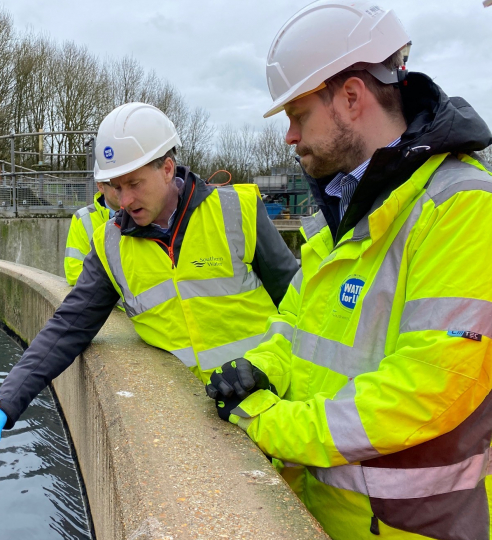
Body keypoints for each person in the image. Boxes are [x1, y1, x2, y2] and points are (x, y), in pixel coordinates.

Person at [205, 2, 492, 539]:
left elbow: (429, 389)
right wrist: (260, 370)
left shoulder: (463, 208)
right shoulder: (340, 216)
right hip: (323, 514)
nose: (290, 136)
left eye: (297, 115)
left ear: (352, 97)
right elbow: (293, 331)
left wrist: (269, 422)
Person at [0, 102, 298, 453]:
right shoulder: (110, 245)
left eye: (134, 183)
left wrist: (266, 366)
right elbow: (68, 327)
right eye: (116, 187)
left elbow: (302, 306)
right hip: (201, 425)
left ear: (167, 168)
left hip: (278, 401)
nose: (124, 200)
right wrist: (5, 403)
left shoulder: (237, 210)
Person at [64, 181, 120, 285]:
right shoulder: (83, 218)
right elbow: (74, 273)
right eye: (116, 184)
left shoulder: (145, 213)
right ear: (101, 186)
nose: (124, 190)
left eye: (131, 183)